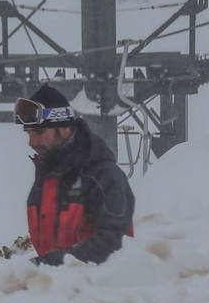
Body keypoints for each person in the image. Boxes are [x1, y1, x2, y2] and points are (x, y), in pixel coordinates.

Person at [14, 84, 135, 266]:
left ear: (64, 127)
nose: (32, 142)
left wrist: (50, 265)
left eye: (39, 132)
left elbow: (114, 244)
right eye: (28, 133)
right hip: (57, 290)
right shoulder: (47, 178)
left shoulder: (103, 177)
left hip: (96, 290)